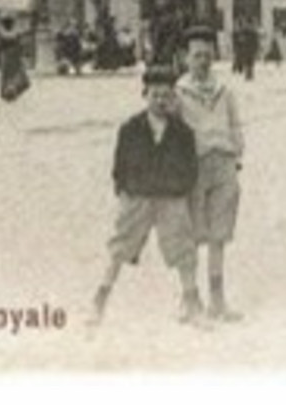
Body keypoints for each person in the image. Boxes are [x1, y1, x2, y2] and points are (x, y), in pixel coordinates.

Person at [91, 67, 204, 328]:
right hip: (138, 197)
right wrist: (125, 190)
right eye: (155, 95)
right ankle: (100, 300)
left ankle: (192, 302)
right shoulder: (130, 128)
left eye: (167, 96)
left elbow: (191, 168)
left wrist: (180, 190)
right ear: (145, 95)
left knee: (184, 249)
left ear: (174, 98)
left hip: (170, 198)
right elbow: (119, 166)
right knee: (120, 247)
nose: (161, 101)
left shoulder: (183, 133)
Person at [176, 29, 245, 322]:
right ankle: (190, 299)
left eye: (207, 55)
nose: (202, 61)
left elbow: (236, 125)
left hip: (224, 165)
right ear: (185, 58)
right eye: (196, 55)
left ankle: (218, 300)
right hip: (192, 167)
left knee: (219, 234)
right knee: (190, 235)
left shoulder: (224, 90)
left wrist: (236, 153)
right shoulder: (178, 93)